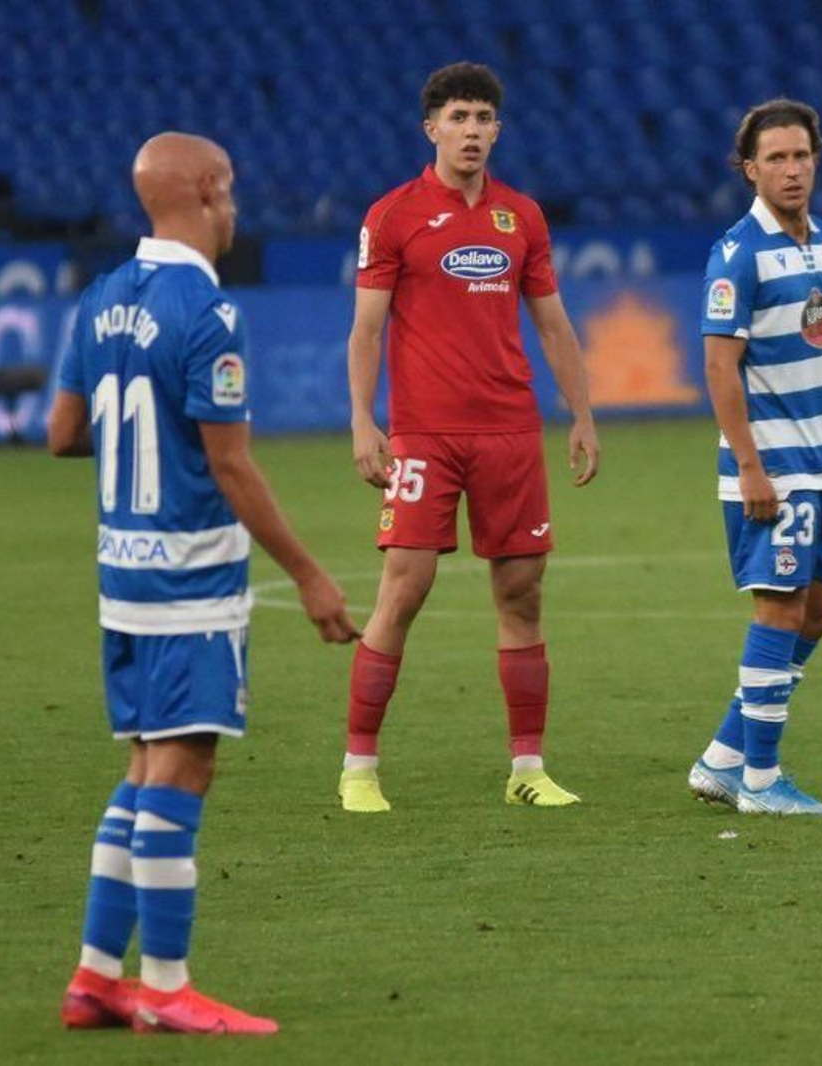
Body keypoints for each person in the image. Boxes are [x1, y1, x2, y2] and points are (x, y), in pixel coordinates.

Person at [47, 132, 359, 1034]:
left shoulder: (102, 299)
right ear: (211, 191)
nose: (236, 210)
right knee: (184, 766)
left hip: (122, 576)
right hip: (190, 580)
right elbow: (232, 466)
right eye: (233, 192)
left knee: (145, 764)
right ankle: (169, 988)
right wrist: (308, 576)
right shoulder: (207, 312)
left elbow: (64, 434)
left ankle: (97, 978)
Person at [341, 62, 601, 813]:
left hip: (511, 432)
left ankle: (528, 768)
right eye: (459, 117)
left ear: (498, 130)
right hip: (424, 433)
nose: (473, 131)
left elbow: (553, 323)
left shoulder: (522, 217)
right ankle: (359, 767)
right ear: (432, 128)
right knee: (406, 586)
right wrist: (364, 418)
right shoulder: (392, 216)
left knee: (522, 594)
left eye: (484, 118)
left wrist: (580, 412)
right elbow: (366, 327)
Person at [687, 100, 822, 817]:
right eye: (775, 158)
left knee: (818, 612)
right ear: (750, 169)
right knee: (779, 611)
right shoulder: (738, 254)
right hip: (771, 466)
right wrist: (748, 466)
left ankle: (723, 757)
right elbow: (718, 368)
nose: (792, 169)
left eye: (801, 155)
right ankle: (764, 783)